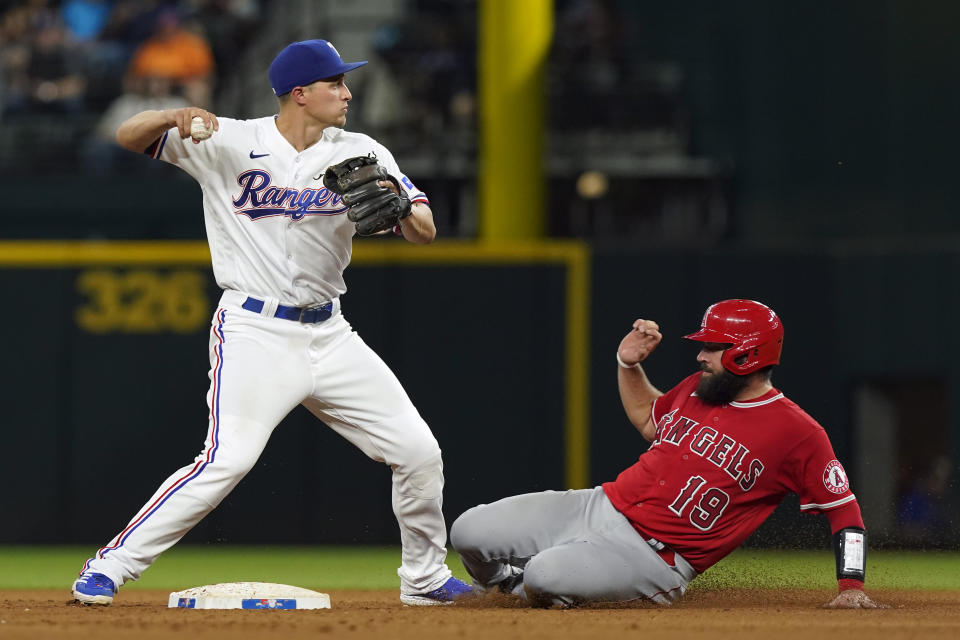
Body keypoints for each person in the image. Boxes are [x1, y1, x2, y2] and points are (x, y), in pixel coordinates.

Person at [71, 38, 471, 607]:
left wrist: (404, 208)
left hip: (331, 335)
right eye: (336, 83)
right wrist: (172, 114)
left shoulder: (361, 149)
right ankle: (112, 564)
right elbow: (128, 136)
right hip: (255, 330)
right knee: (228, 458)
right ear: (300, 93)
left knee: (418, 452)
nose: (348, 91)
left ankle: (426, 578)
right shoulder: (227, 140)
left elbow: (425, 230)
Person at [451, 299, 886, 609]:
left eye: (713, 347)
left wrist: (852, 584)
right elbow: (648, 419)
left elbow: (844, 511)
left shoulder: (798, 432)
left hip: (653, 558)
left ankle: (543, 587)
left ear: (747, 353)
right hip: (599, 504)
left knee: (544, 575)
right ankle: (504, 589)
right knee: (468, 530)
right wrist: (628, 365)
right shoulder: (698, 388)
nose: (701, 354)